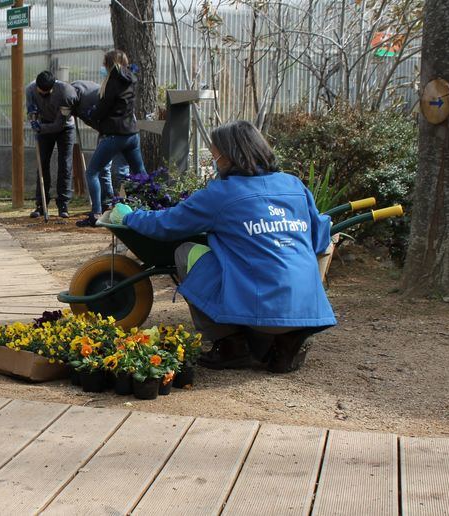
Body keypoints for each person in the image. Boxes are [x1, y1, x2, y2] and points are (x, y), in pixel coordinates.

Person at [111, 120, 336, 373]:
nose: (214, 159)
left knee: (185, 252)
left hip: (261, 310)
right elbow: (320, 239)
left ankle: (231, 345)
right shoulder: (294, 185)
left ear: (229, 156)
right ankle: (285, 345)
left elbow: (167, 224)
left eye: (215, 152)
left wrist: (128, 217)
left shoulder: (221, 193)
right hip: (306, 312)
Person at [77, 50, 147, 227]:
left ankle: (96, 214)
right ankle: (149, 206)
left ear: (109, 64)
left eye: (104, 64)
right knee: (140, 173)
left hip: (114, 135)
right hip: (132, 133)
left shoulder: (112, 82)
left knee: (92, 172)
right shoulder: (132, 79)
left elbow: (103, 108)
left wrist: (91, 114)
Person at [71, 79, 130, 211]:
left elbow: (95, 117)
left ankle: (124, 204)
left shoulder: (89, 100)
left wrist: (79, 112)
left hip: (121, 129)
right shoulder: (75, 92)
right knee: (103, 168)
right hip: (108, 130)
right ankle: (107, 203)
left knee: (119, 170)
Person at [25, 71, 77, 218]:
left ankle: (63, 205)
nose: (44, 95)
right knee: (42, 163)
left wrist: (40, 128)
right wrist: (32, 116)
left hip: (65, 127)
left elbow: (59, 125)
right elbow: (30, 110)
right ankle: (41, 204)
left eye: (48, 93)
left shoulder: (65, 91)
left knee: (65, 165)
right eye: (41, 93)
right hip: (44, 125)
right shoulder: (30, 89)